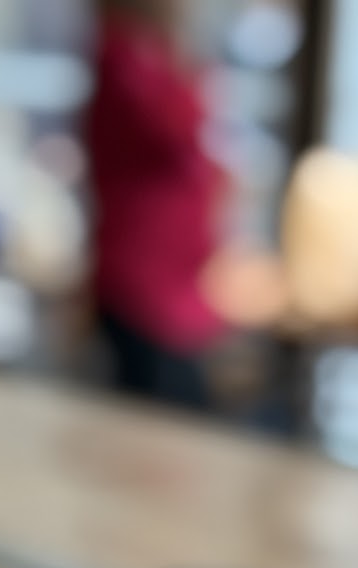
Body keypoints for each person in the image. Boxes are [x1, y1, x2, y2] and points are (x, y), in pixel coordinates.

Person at [84, 0, 227, 409]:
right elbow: (173, 129)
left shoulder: (149, 61)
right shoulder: (124, 62)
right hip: (143, 288)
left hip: (176, 287)